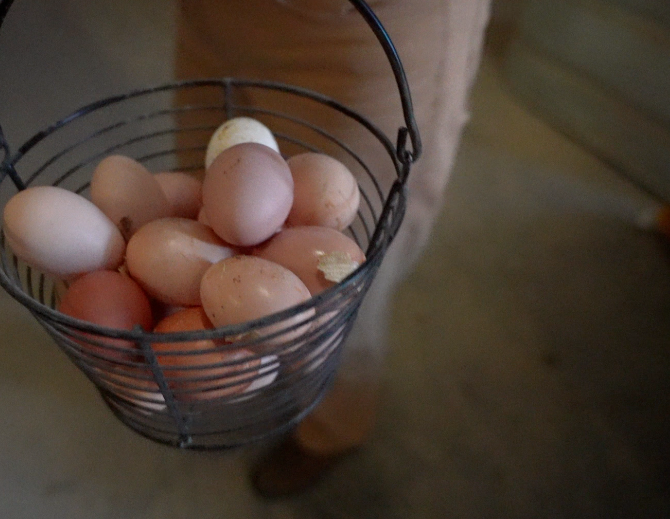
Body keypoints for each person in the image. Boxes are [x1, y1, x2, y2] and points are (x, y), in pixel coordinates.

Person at [174, 0, 492, 498]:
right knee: (207, 204)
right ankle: (244, 358)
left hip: (362, 23)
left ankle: (333, 427)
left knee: (341, 280)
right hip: (212, 14)